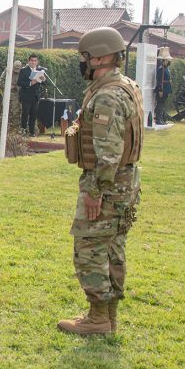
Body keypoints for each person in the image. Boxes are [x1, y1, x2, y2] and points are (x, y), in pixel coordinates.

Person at [59, 27, 143, 336]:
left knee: (90, 248)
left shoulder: (107, 96)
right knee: (112, 248)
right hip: (124, 184)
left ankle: (98, 318)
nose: (84, 62)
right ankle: (108, 317)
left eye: (87, 57)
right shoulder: (125, 86)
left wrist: (95, 192)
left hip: (107, 185)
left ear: (104, 56)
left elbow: (109, 153)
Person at [17, 54, 45, 136]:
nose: (33, 62)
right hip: (26, 96)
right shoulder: (23, 70)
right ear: (29, 61)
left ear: (37, 62)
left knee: (33, 115)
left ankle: (31, 132)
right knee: (25, 114)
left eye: (35, 61)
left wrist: (44, 79)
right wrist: (30, 83)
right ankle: (23, 130)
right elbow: (19, 83)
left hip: (35, 96)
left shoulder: (40, 70)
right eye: (32, 60)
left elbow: (44, 83)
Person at [155, 49, 173, 124]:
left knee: (162, 104)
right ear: (164, 61)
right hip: (162, 90)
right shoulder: (161, 69)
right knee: (160, 104)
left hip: (166, 89)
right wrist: (160, 90)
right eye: (166, 60)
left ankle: (161, 118)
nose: (167, 62)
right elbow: (159, 80)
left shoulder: (165, 69)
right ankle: (158, 119)